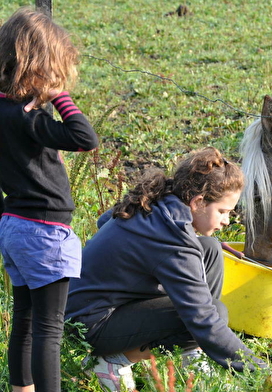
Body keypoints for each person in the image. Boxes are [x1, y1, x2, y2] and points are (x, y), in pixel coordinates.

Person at [66, 147, 268, 392]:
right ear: (198, 202)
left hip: (87, 303)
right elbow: (203, 318)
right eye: (223, 212)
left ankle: (193, 351)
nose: (227, 220)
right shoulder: (173, 241)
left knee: (210, 249)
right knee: (213, 313)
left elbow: (104, 221)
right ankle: (112, 360)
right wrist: (262, 373)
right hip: (90, 324)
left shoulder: (158, 200)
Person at [0, 7, 99, 392]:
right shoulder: (25, 117)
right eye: (54, 72)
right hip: (45, 231)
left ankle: (20, 388)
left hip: (14, 226)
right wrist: (60, 97)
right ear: (37, 68)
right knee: (49, 328)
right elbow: (84, 138)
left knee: (24, 318)